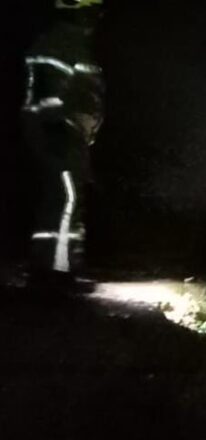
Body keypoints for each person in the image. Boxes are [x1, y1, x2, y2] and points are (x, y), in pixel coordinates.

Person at [22, 0, 104, 291]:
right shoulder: (60, 42)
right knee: (65, 199)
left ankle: (56, 268)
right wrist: (57, 128)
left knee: (66, 199)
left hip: (68, 133)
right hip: (59, 133)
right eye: (93, 10)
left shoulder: (70, 42)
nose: (97, 17)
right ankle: (56, 273)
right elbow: (48, 93)